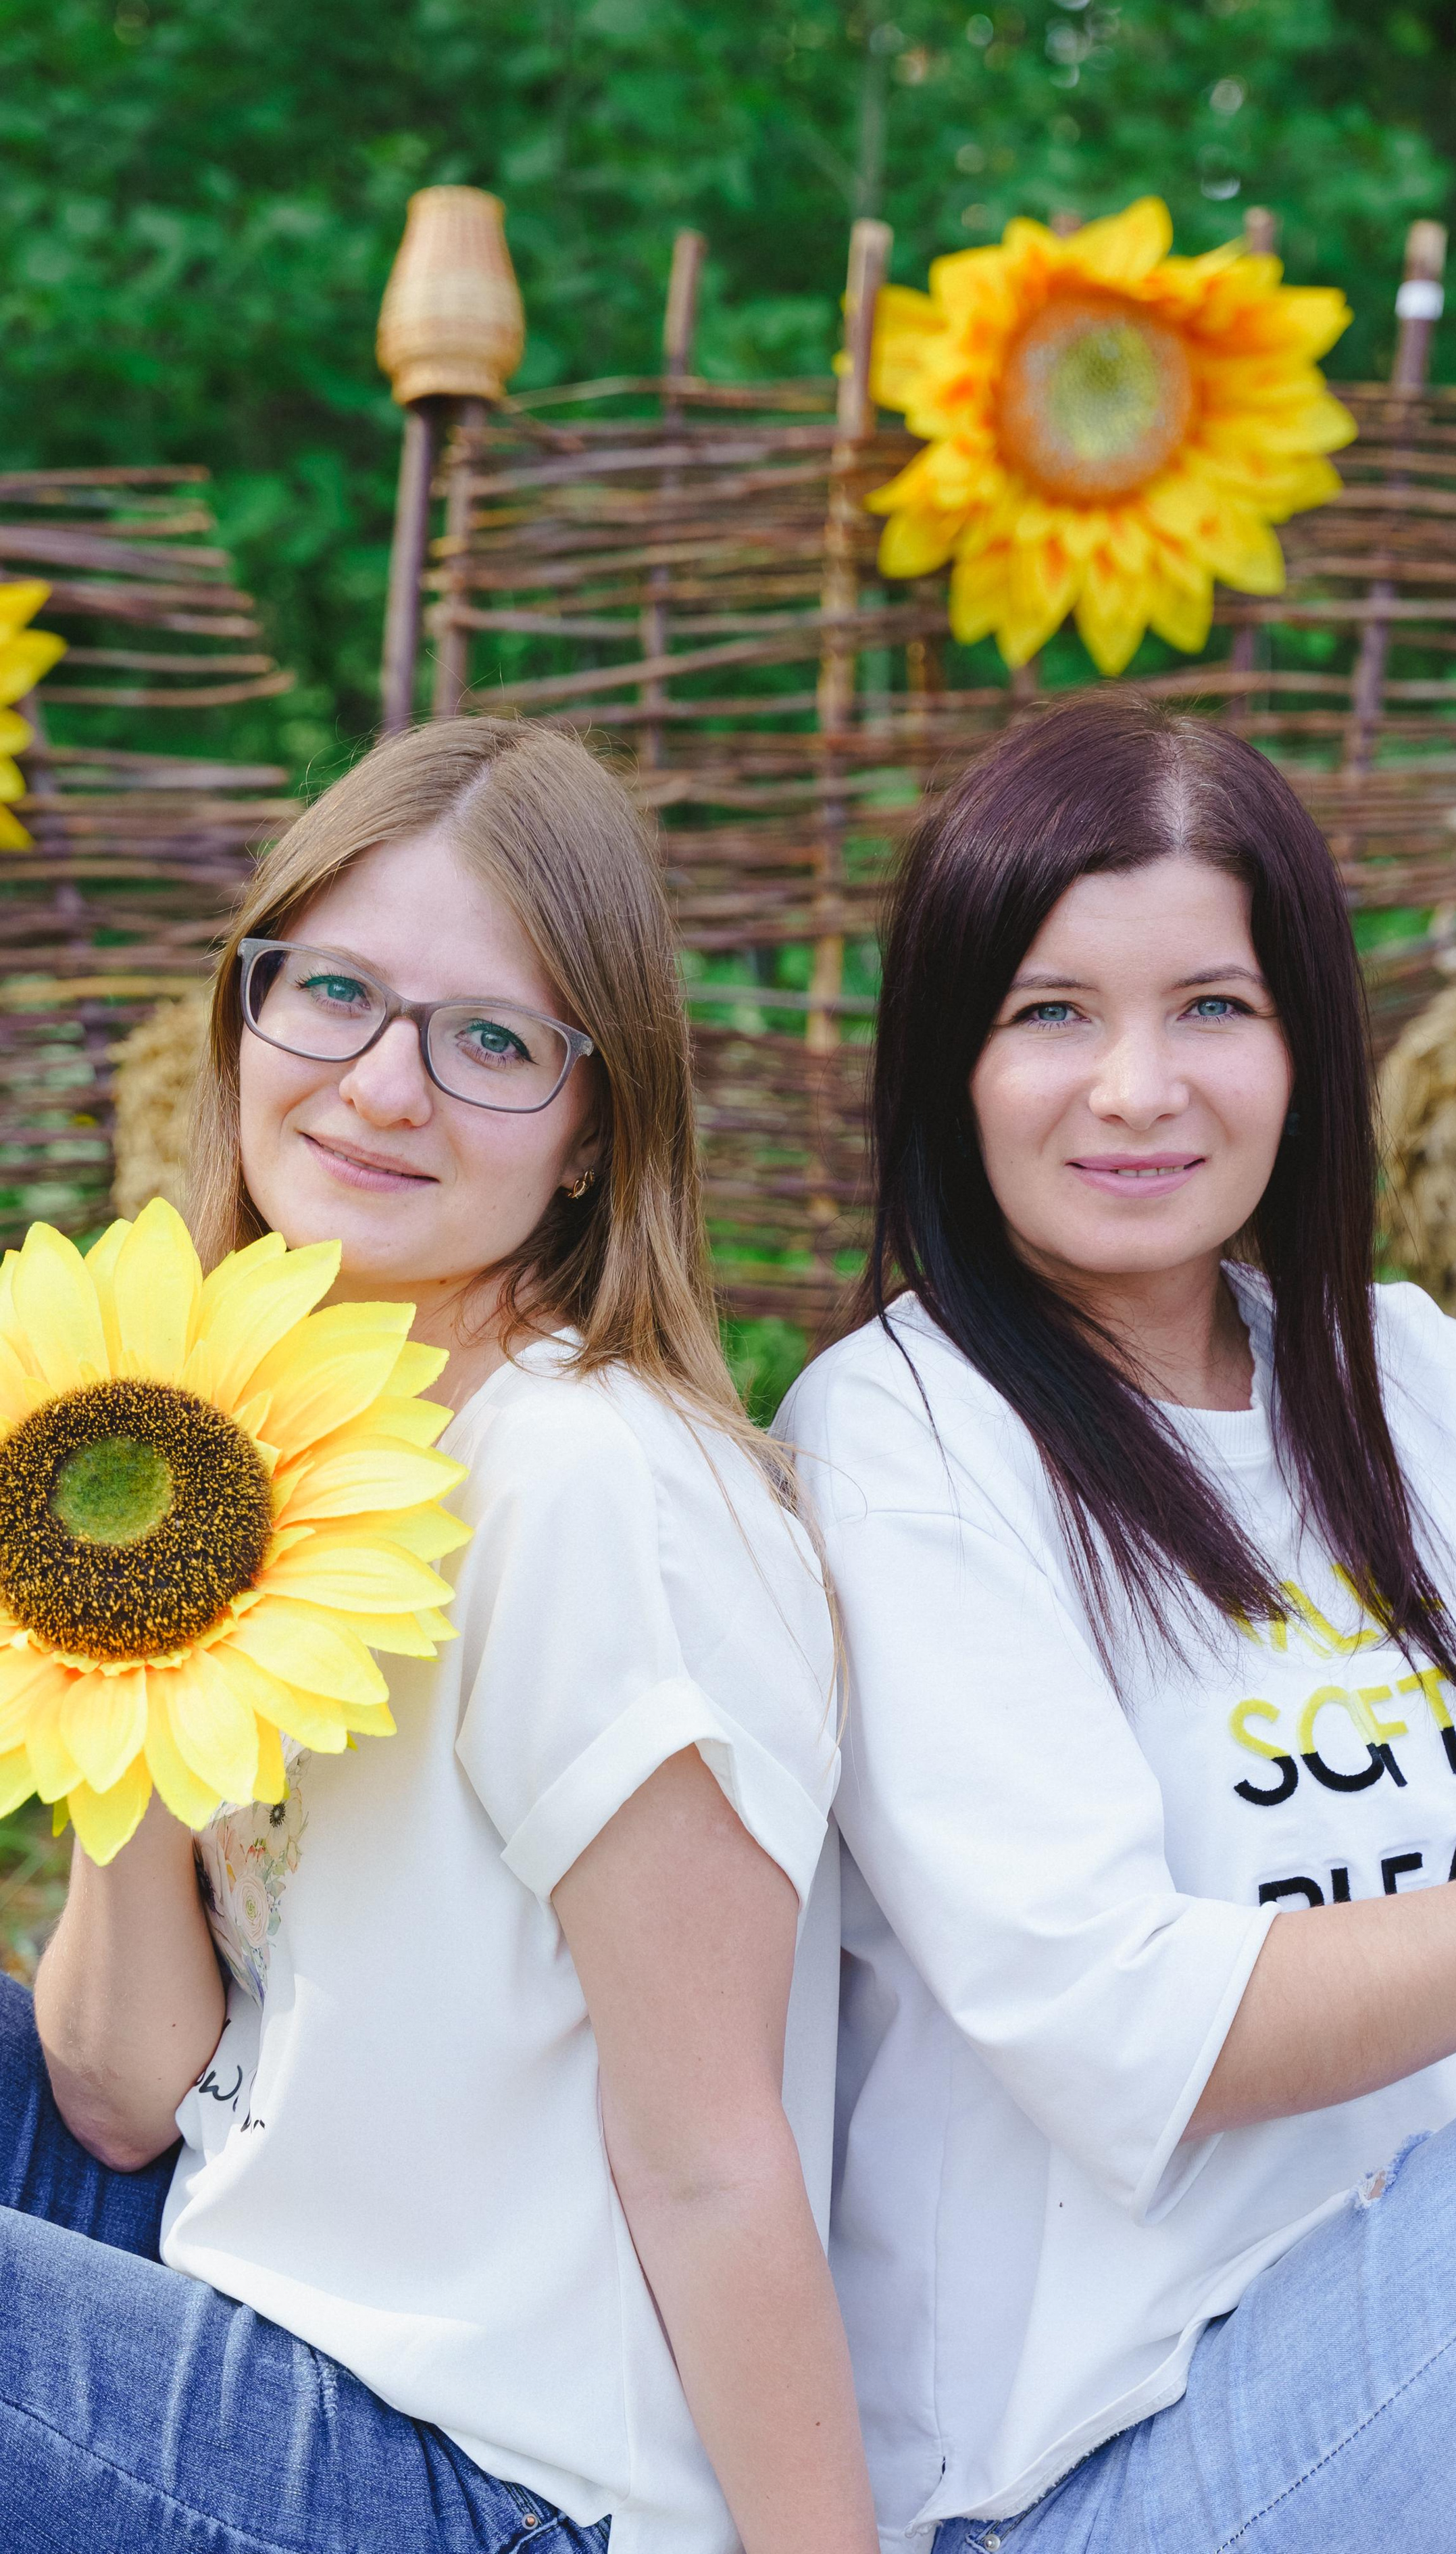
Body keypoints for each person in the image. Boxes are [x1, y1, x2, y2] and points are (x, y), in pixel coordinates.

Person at [778, 691, 1456, 2554]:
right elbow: (1138, 2035)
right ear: (951, 1060)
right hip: (1120, 2467)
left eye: (1212, 1007)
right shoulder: (901, 1445)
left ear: (1304, 1048)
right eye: (1054, 1014)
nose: (1139, 1088)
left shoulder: (1425, 1387)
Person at [9, 719, 878, 2554]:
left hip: (493, 2477)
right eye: (332, 993)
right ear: (245, 1016)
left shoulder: (591, 1490)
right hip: (247, 2282)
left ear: (592, 1134)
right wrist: (133, 1629)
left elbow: (715, 2161)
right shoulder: (269, 1450)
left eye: (489, 1041)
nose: (382, 1088)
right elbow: (123, 2094)